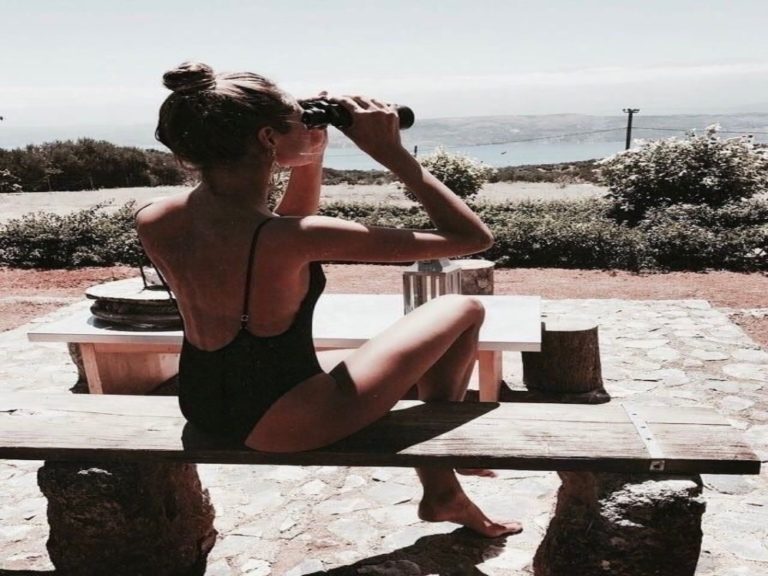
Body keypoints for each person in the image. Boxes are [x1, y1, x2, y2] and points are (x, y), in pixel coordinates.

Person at [137, 61, 521, 537]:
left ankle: (443, 490)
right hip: (284, 424)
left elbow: (278, 230)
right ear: (267, 138)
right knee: (461, 309)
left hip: (204, 404)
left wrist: (310, 154)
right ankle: (440, 482)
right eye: (296, 120)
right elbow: (472, 237)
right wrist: (392, 153)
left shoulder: (155, 216)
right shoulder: (293, 237)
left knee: (379, 350)